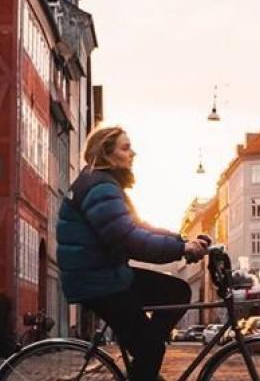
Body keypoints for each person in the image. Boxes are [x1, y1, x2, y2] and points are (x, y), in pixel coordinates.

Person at [57, 126, 211, 381]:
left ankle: (144, 363)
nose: (133, 153)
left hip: (106, 274)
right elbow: (127, 238)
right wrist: (181, 250)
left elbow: (138, 226)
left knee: (176, 293)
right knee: (152, 344)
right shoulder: (100, 188)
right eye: (125, 148)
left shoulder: (102, 183)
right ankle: (145, 361)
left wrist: (182, 241)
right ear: (106, 154)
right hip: (98, 281)